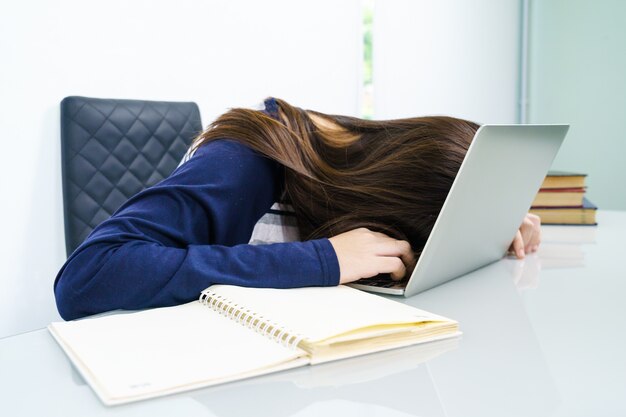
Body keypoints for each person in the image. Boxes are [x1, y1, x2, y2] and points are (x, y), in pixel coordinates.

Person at [54, 98, 541, 320]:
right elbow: (85, 278)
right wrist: (322, 260)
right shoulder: (245, 162)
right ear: (379, 204)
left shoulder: (351, 161)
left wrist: (488, 219)